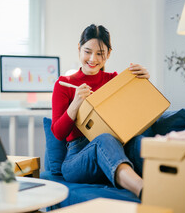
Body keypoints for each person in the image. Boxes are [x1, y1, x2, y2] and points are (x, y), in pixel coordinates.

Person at [51, 24, 150, 198]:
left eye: (100, 53)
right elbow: (58, 133)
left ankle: (172, 181)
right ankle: (143, 190)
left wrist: (143, 81)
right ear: (79, 49)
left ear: (109, 54)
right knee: (103, 139)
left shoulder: (113, 80)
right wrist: (75, 104)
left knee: (137, 141)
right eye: (87, 51)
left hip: (115, 148)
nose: (93, 58)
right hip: (77, 158)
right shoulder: (63, 84)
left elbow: (137, 111)